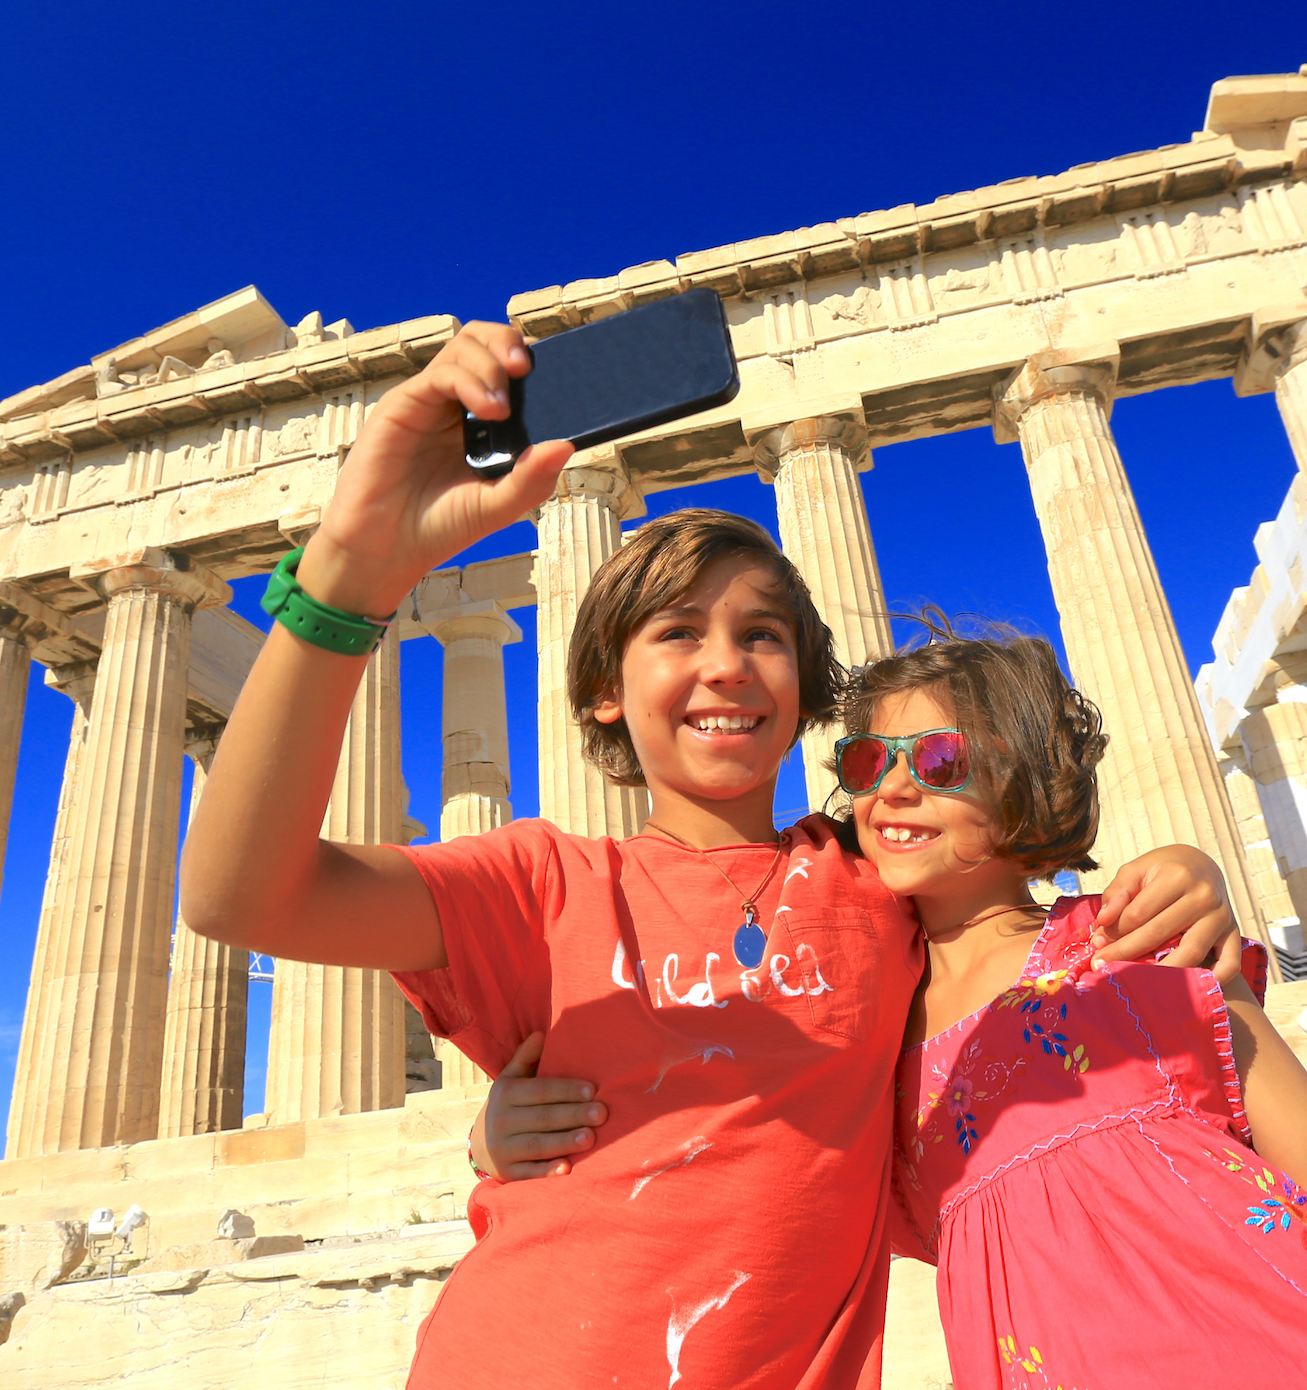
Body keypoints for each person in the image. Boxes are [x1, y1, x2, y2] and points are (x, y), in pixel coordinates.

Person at [177, 322, 1241, 1390]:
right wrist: (349, 579)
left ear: (805, 684)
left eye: (763, 635)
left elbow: (1022, 909)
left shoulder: (873, 884)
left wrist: (1182, 868)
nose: (725, 666)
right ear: (604, 689)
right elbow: (239, 896)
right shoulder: (540, 887)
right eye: (676, 634)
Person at [482, 615, 1307, 1390]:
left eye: (944, 757)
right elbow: (700, 1115)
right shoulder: (851, 1031)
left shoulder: (1133, 955)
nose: (893, 787)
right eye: (867, 758)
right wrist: (500, 1137)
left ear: (1029, 779)